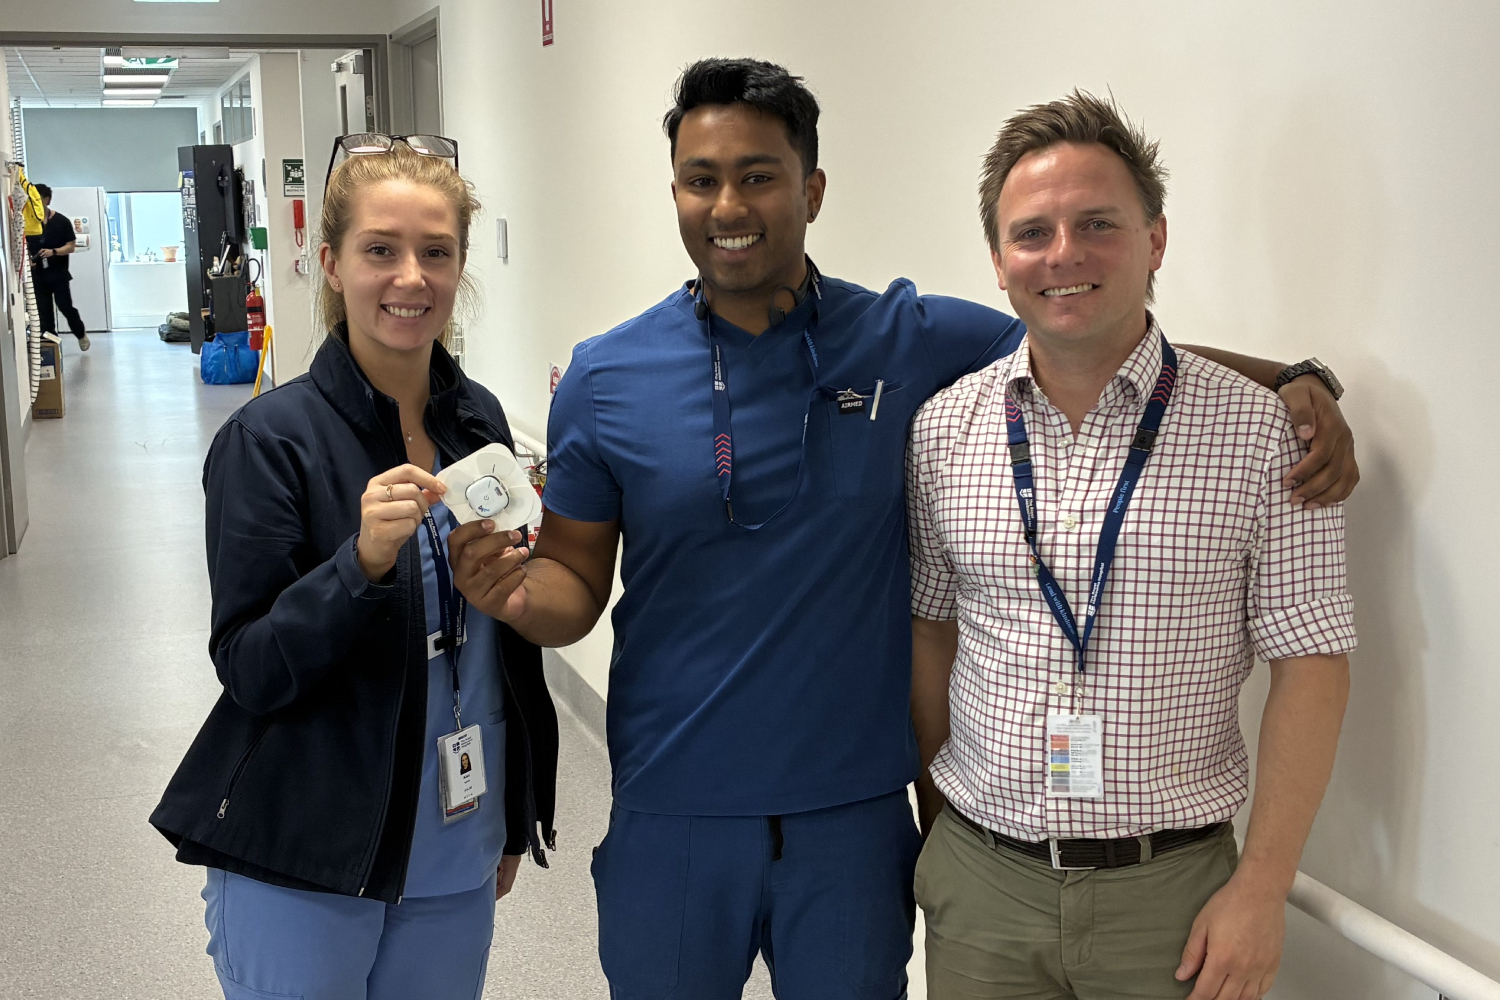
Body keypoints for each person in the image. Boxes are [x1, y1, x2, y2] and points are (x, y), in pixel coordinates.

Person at [448, 59, 1358, 1000]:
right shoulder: (605, 378)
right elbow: (574, 588)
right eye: (700, 178)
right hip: (674, 806)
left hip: (851, 816)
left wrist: (1292, 378)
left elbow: (1084, 329)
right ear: (674, 191)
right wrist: (515, 595)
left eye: (759, 174)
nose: (729, 204)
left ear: (813, 189)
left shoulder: (905, 337)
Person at [906, 91, 1355, 1000]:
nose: (1064, 254)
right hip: (984, 882)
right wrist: (940, 839)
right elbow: (932, 635)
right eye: (1032, 233)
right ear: (998, 261)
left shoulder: (1263, 435)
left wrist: (1261, 890)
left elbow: (1314, 663)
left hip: (1178, 894)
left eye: (1098, 224)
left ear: (1155, 240)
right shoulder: (942, 431)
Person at [149, 137, 559, 1000]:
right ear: (331, 264)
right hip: (308, 848)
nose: (411, 278)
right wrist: (361, 564)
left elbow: (503, 647)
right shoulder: (269, 443)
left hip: (455, 839)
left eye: (435, 253)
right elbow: (251, 666)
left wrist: (515, 814)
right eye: (381, 250)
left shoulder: (476, 420)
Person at [25, 183, 90, 351]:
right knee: (44, 311)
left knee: (65, 307)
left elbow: (71, 246)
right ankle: (52, 349)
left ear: (47, 200)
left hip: (58, 274)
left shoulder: (61, 221)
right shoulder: (29, 222)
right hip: (38, 275)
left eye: (37, 199)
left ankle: (80, 334)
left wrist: (53, 252)